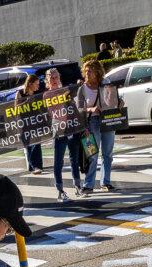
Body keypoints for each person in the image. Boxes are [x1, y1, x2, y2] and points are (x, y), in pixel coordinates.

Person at [76, 59, 122, 194]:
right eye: (85, 71)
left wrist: (119, 103)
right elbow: (78, 109)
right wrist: (90, 109)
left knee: (107, 154)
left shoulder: (106, 84)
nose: (87, 74)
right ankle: (88, 184)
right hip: (90, 123)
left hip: (107, 120)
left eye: (90, 71)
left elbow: (113, 101)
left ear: (97, 72)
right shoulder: (82, 89)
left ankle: (105, 182)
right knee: (92, 154)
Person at [46, 68, 82, 203]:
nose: (54, 80)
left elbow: (74, 107)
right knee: (58, 161)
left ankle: (78, 186)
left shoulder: (66, 90)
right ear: (48, 80)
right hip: (58, 130)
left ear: (59, 78)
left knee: (74, 158)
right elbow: (53, 110)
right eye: (51, 78)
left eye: (56, 77)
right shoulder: (46, 95)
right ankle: (60, 190)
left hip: (71, 127)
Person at [16, 74, 44, 174]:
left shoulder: (37, 93)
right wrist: (26, 102)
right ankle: (33, 166)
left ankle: (38, 166)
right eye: (36, 84)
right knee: (28, 144)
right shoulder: (20, 93)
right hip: (24, 121)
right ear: (30, 84)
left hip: (35, 120)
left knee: (37, 143)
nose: (38, 86)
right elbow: (16, 107)